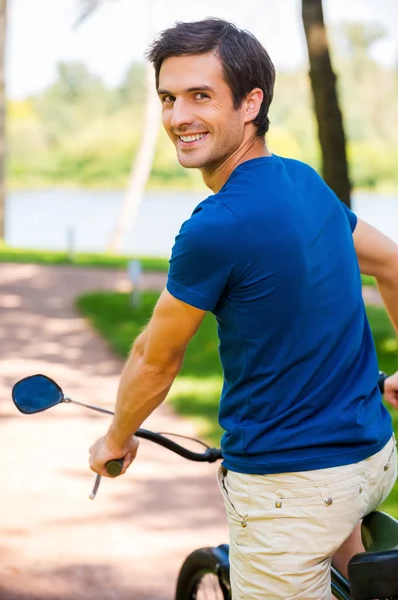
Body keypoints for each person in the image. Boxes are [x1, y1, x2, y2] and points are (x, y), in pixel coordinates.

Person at [89, 18, 398, 599]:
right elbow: (393, 264)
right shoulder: (304, 182)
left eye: (200, 96)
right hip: (372, 460)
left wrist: (116, 438)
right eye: (168, 98)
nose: (179, 117)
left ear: (252, 102)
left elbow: (157, 359)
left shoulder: (217, 226)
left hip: (292, 488)